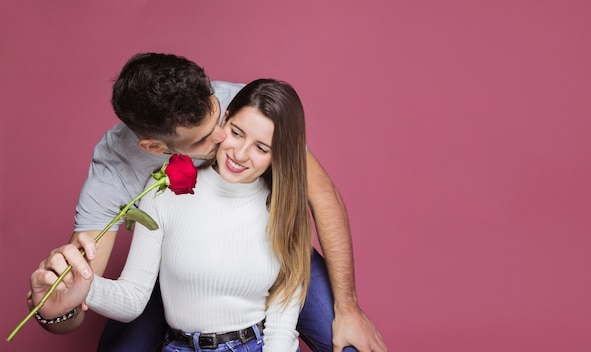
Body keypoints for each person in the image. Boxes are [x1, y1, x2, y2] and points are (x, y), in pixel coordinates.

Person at [28, 53, 387, 352]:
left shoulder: (244, 106)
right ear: (155, 149)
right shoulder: (116, 175)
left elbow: (323, 197)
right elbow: (85, 284)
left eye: (222, 118)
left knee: (349, 341)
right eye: (205, 138)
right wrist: (58, 305)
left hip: (268, 247)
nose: (225, 139)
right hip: (173, 265)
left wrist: (348, 306)